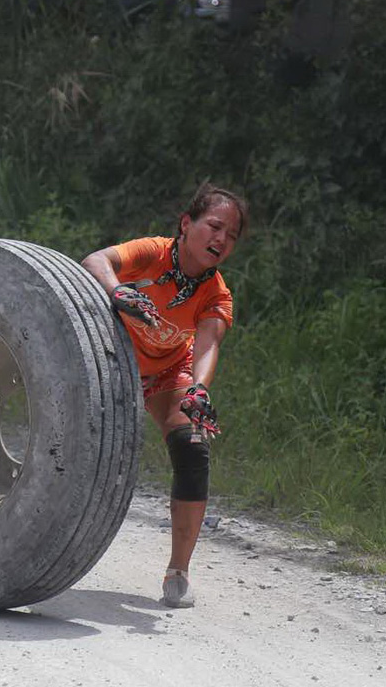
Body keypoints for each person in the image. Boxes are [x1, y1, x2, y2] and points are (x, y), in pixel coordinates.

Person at [81, 183, 248, 608]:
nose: (221, 240)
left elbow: (208, 343)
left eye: (231, 236)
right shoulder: (152, 252)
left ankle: (179, 572)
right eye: (214, 227)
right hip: (109, 361)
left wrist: (198, 388)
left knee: (193, 447)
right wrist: (116, 290)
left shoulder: (217, 293)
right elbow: (95, 261)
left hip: (168, 371)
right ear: (186, 223)